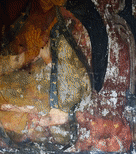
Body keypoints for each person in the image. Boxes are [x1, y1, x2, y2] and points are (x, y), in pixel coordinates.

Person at [0, 0, 91, 146]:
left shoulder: (52, 105)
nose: (40, 121)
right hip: (36, 75)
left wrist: (38, 58)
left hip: (32, 81)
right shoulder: (70, 98)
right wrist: (39, 58)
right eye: (49, 121)